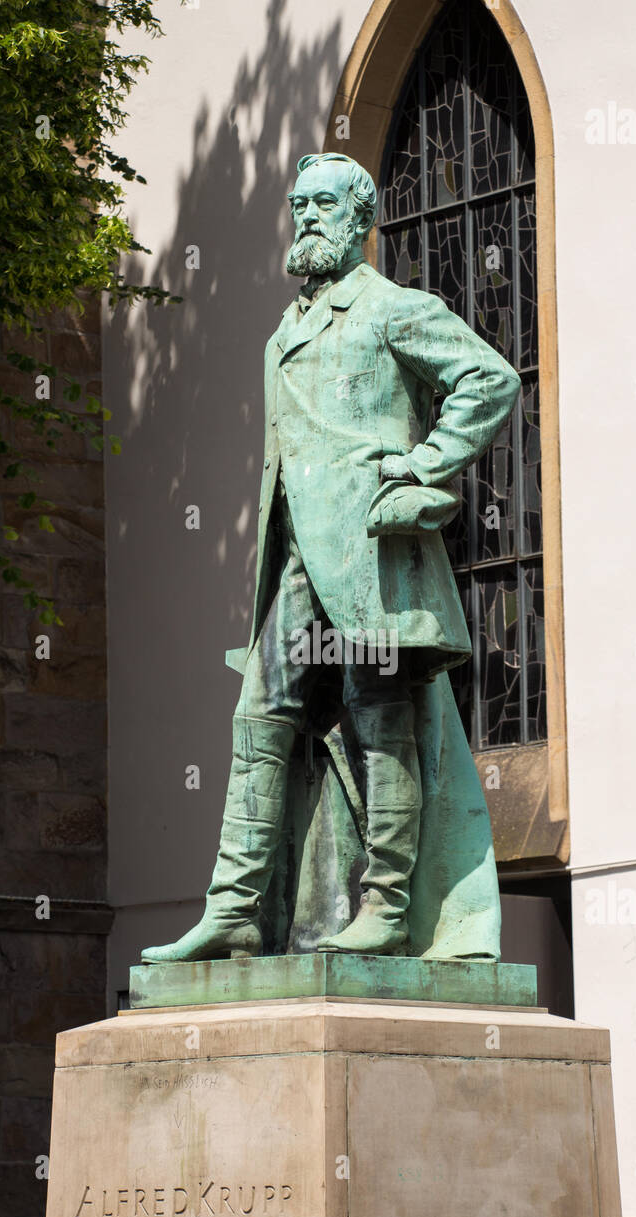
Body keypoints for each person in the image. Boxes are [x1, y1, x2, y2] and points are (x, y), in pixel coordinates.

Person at [141, 153, 520, 964]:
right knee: (259, 717)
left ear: (360, 220)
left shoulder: (392, 308)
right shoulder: (287, 328)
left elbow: (488, 378)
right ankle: (234, 909)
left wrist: (424, 466)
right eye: (298, 204)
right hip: (299, 564)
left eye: (325, 205)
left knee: (379, 717)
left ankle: (386, 906)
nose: (308, 216)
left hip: (374, 557)